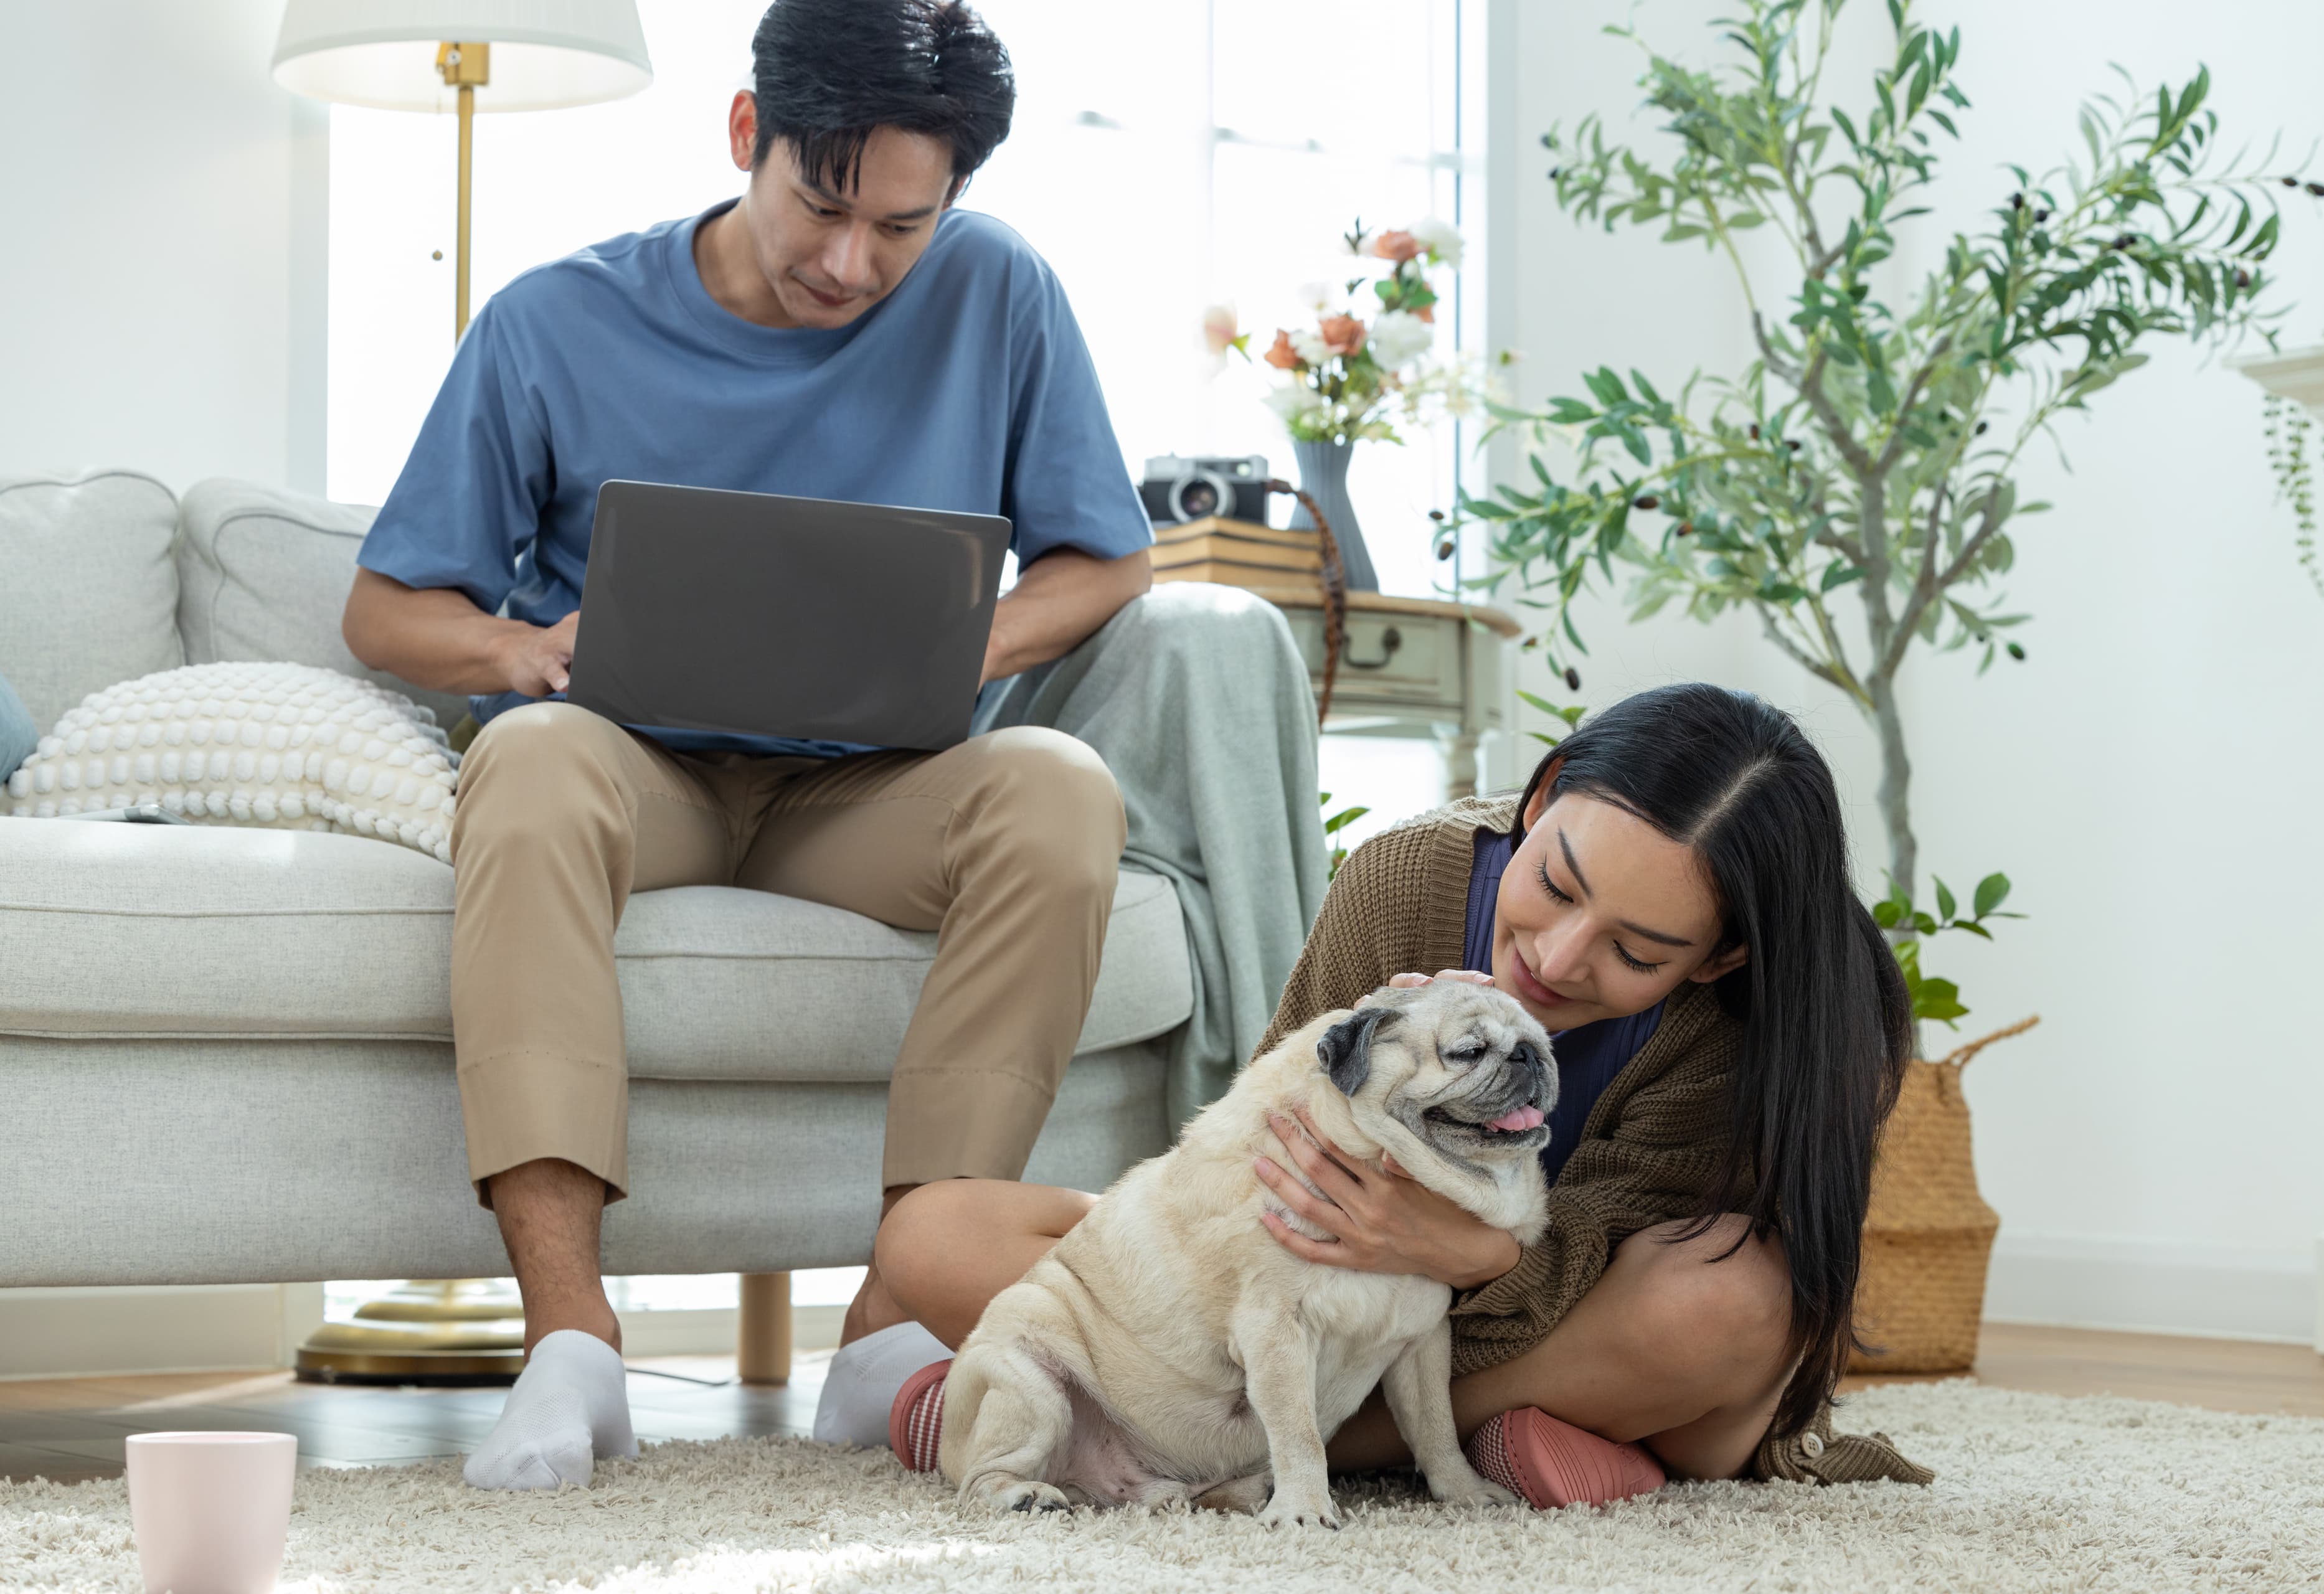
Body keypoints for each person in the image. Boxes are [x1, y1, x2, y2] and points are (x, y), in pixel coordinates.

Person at [342, 0, 1153, 1492]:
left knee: (1060, 791)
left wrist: (966, 641)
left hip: (876, 788)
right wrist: (525, 650)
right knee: (525, 759)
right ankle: (572, 1340)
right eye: (823, 204)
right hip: (640, 773)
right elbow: (387, 606)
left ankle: (894, 1326)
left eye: (903, 227)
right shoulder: (555, 317)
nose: (852, 264)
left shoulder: (1000, 293)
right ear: (745, 137)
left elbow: (1106, 559)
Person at [859, 682, 1935, 1504]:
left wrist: (1469, 1249)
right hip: (1331, 1298)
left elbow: (1616, 1246)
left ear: (1714, 962)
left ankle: (1191, 1447)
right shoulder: (1406, 879)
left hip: (1545, 1316)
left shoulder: (1733, 1040)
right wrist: (1340, 1104)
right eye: (1555, 884)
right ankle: (1521, 1446)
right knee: (936, 1231)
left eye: (1637, 953)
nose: (1555, 960)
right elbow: (1259, 1139)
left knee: (1731, 1313)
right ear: (1546, 794)